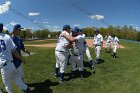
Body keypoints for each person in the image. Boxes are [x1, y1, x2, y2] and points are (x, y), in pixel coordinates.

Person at [0, 23, 31, 93]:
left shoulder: (18, 39)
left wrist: (26, 52)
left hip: (12, 64)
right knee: (17, 80)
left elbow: (22, 48)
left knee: (16, 80)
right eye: (19, 29)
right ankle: (26, 89)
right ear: (15, 30)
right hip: (11, 64)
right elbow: (13, 52)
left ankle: (25, 89)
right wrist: (22, 59)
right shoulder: (8, 37)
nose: (20, 31)